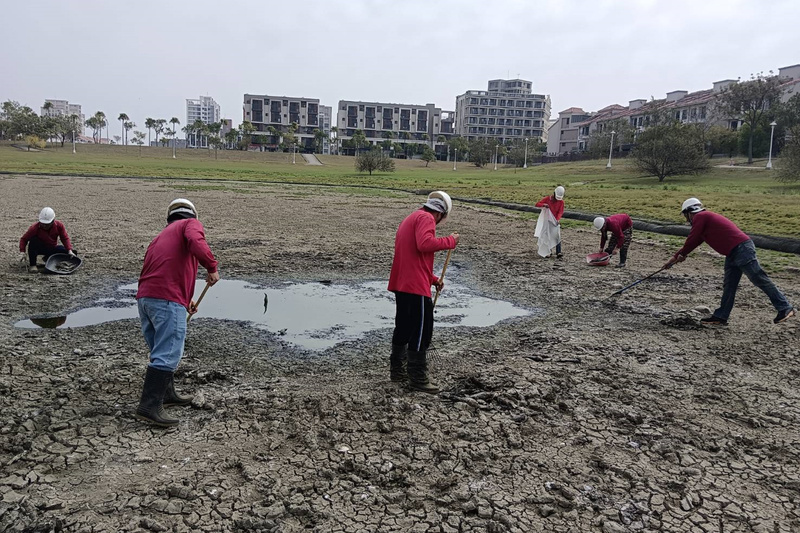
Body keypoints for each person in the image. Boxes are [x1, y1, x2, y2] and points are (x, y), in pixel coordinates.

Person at [135, 198, 220, 427]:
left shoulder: (160, 237)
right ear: (192, 214)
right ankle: (149, 406)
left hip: (146, 298)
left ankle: (166, 394)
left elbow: (163, 270)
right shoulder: (190, 225)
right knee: (169, 350)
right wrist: (211, 267)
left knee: (159, 348)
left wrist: (185, 300)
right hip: (165, 299)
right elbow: (196, 241)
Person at [663, 198, 794, 326]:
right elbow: (695, 241)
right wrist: (674, 258)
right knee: (729, 285)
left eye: (686, 216)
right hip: (732, 253)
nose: (687, 219)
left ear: (689, 212)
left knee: (758, 277)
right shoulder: (704, 220)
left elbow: (692, 238)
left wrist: (682, 254)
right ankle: (721, 316)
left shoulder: (700, 217)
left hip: (742, 249)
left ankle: (785, 307)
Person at [388, 191, 459, 393]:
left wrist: (433, 279)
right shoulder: (426, 218)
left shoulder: (411, 217)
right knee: (421, 332)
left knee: (404, 328)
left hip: (403, 283)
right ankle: (417, 377)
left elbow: (414, 257)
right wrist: (450, 241)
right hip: (414, 287)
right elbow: (424, 244)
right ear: (440, 213)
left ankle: (397, 371)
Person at [19, 207, 76, 273]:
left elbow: (64, 238)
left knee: (72, 254)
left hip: (52, 248)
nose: (44, 226)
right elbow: (24, 239)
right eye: (42, 223)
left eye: (47, 224)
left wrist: (69, 250)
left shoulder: (59, 226)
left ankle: (48, 258)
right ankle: (33, 265)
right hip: (39, 248)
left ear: (53, 220)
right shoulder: (34, 228)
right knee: (33, 241)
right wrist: (22, 251)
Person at [535, 186, 565, 258]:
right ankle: (548, 251)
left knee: (557, 235)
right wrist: (544, 205)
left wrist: (557, 219)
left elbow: (560, 212)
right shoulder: (548, 199)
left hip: (554, 221)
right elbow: (537, 204)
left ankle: (558, 252)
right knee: (547, 236)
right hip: (547, 221)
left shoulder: (561, 202)